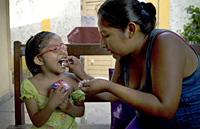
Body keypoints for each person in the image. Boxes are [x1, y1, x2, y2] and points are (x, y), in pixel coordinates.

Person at [65, 0, 200, 128]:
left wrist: (108, 85)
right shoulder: (124, 54)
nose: (102, 44)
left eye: (106, 36)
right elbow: (112, 95)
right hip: (146, 122)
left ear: (130, 29)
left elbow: (165, 109)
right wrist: (81, 73)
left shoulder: (166, 43)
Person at [20, 31, 85, 129]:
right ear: (40, 60)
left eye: (63, 47)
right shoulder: (30, 85)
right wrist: (51, 104)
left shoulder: (72, 79)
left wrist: (68, 107)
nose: (63, 51)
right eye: (55, 49)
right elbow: (37, 122)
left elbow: (81, 111)